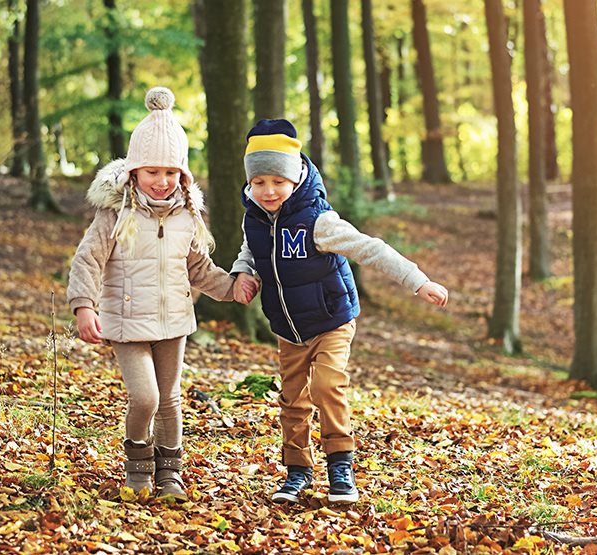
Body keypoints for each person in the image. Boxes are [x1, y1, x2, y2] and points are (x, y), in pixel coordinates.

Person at [231, 119, 450, 504]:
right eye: (260, 182)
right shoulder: (253, 217)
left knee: (326, 386)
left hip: (331, 319)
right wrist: (243, 274)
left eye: (277, 182)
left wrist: (419, 281)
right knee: (293, 398)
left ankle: (340, 465)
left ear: (295, 177)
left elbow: (372, 249)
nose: (268, 191)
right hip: (288, 326)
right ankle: (297, 471)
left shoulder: (318, 220)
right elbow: (250, 250)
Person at [67, 87, 252, 499]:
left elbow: (199, 268)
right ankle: (137, 468)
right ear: (134, 171)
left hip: (173, 323)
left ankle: (170, 474)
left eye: (171, 173)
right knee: (146, 397)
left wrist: (233, 287)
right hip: (126, 322)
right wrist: (84, 306)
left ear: (182, 175)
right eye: (152, 172)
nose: (161, 181)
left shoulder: (188, 216)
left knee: (170, 401)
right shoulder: (115, 213)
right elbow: (88, 261)